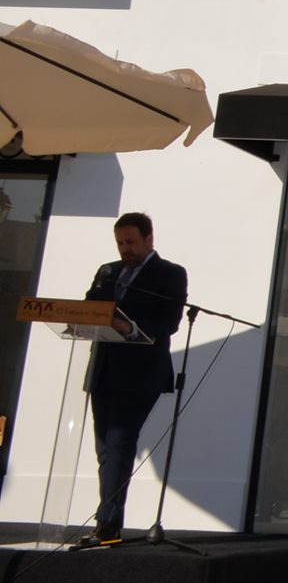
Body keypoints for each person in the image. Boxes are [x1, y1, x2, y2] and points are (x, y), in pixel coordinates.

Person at [80, 211, 187, 547]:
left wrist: (131, 327)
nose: (125, 249)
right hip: (104, 369)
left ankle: (107, 525)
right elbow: (89, 308)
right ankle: (109, 524)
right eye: (120, 243)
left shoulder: (169, 273)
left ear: (149, 239)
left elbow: (169, 322)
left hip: (141, 373)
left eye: (131, 242)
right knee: (104, 449)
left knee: (119, 442)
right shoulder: (108, 272)